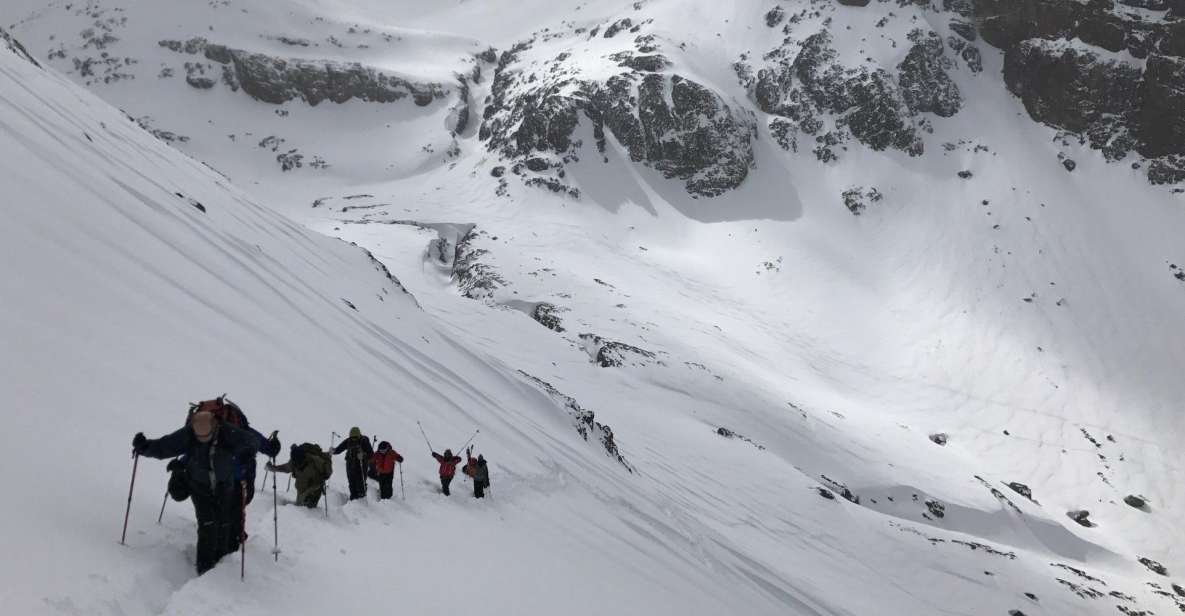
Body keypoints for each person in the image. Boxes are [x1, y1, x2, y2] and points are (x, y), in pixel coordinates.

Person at [132, 410, 259, 574]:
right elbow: (166, 446)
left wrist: (247, 453)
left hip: (224, 486)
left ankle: (223, 563)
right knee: (207, 524)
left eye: (207, 437)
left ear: (214, 426)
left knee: (224, 522)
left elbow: (252, 442)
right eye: (200, 438)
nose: (203, 441)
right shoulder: (189, 434)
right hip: (199, 487)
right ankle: (205, 568)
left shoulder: (228, 432)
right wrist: (145, 447)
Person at [266, 443, 332, 508]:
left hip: (314, 488)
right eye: (294, 462)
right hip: (302, 487)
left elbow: (327, 472)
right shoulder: (294, 461)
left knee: (308, 509)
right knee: (300, 507)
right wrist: (272, 468)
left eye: (298, 462)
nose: (296, 464)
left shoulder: (314, 462)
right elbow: (285, 468)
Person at [332, 427, 373, 500]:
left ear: (359, 435)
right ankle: (353, 498)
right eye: (352, 437)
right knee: (351, 482)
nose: (353, 439)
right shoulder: (348, 441)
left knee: (361, 482)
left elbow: (371, 454)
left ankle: (362, 498)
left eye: (355, 437)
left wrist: (363, 455)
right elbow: (339, 449)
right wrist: (333, 451)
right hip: (350, 464)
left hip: (361, 464)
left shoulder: (364, 441)